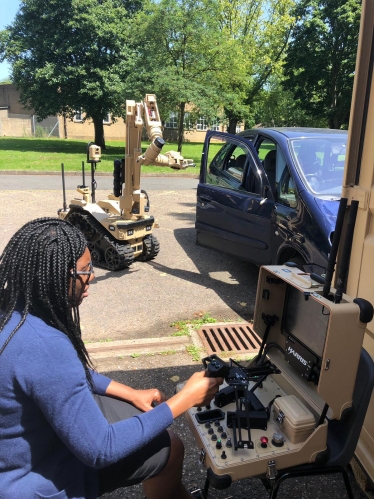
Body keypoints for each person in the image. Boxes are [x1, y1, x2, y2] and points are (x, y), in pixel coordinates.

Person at [0, 217, 222, 499]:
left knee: (155, 434)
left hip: (21, 446)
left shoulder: (13, 307)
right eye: (84, 271)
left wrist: (128, 392)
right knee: (170, 447)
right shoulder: (46, 345)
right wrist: (186, 399)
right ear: (55, 275)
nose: (92, 276)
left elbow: (61, 375)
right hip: (31, 480)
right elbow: (100, 449)